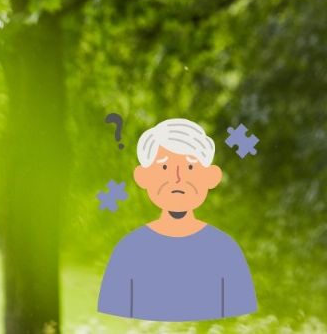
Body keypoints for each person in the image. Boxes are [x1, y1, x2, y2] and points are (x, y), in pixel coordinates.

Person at [97, 118, 257, 321]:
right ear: (143, 177)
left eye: (190, 168)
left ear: (211, 177)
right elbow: (115, 320)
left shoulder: (225, 251)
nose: (177, 179)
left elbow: (239, 320)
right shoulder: (129, 251)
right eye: (164, 168)